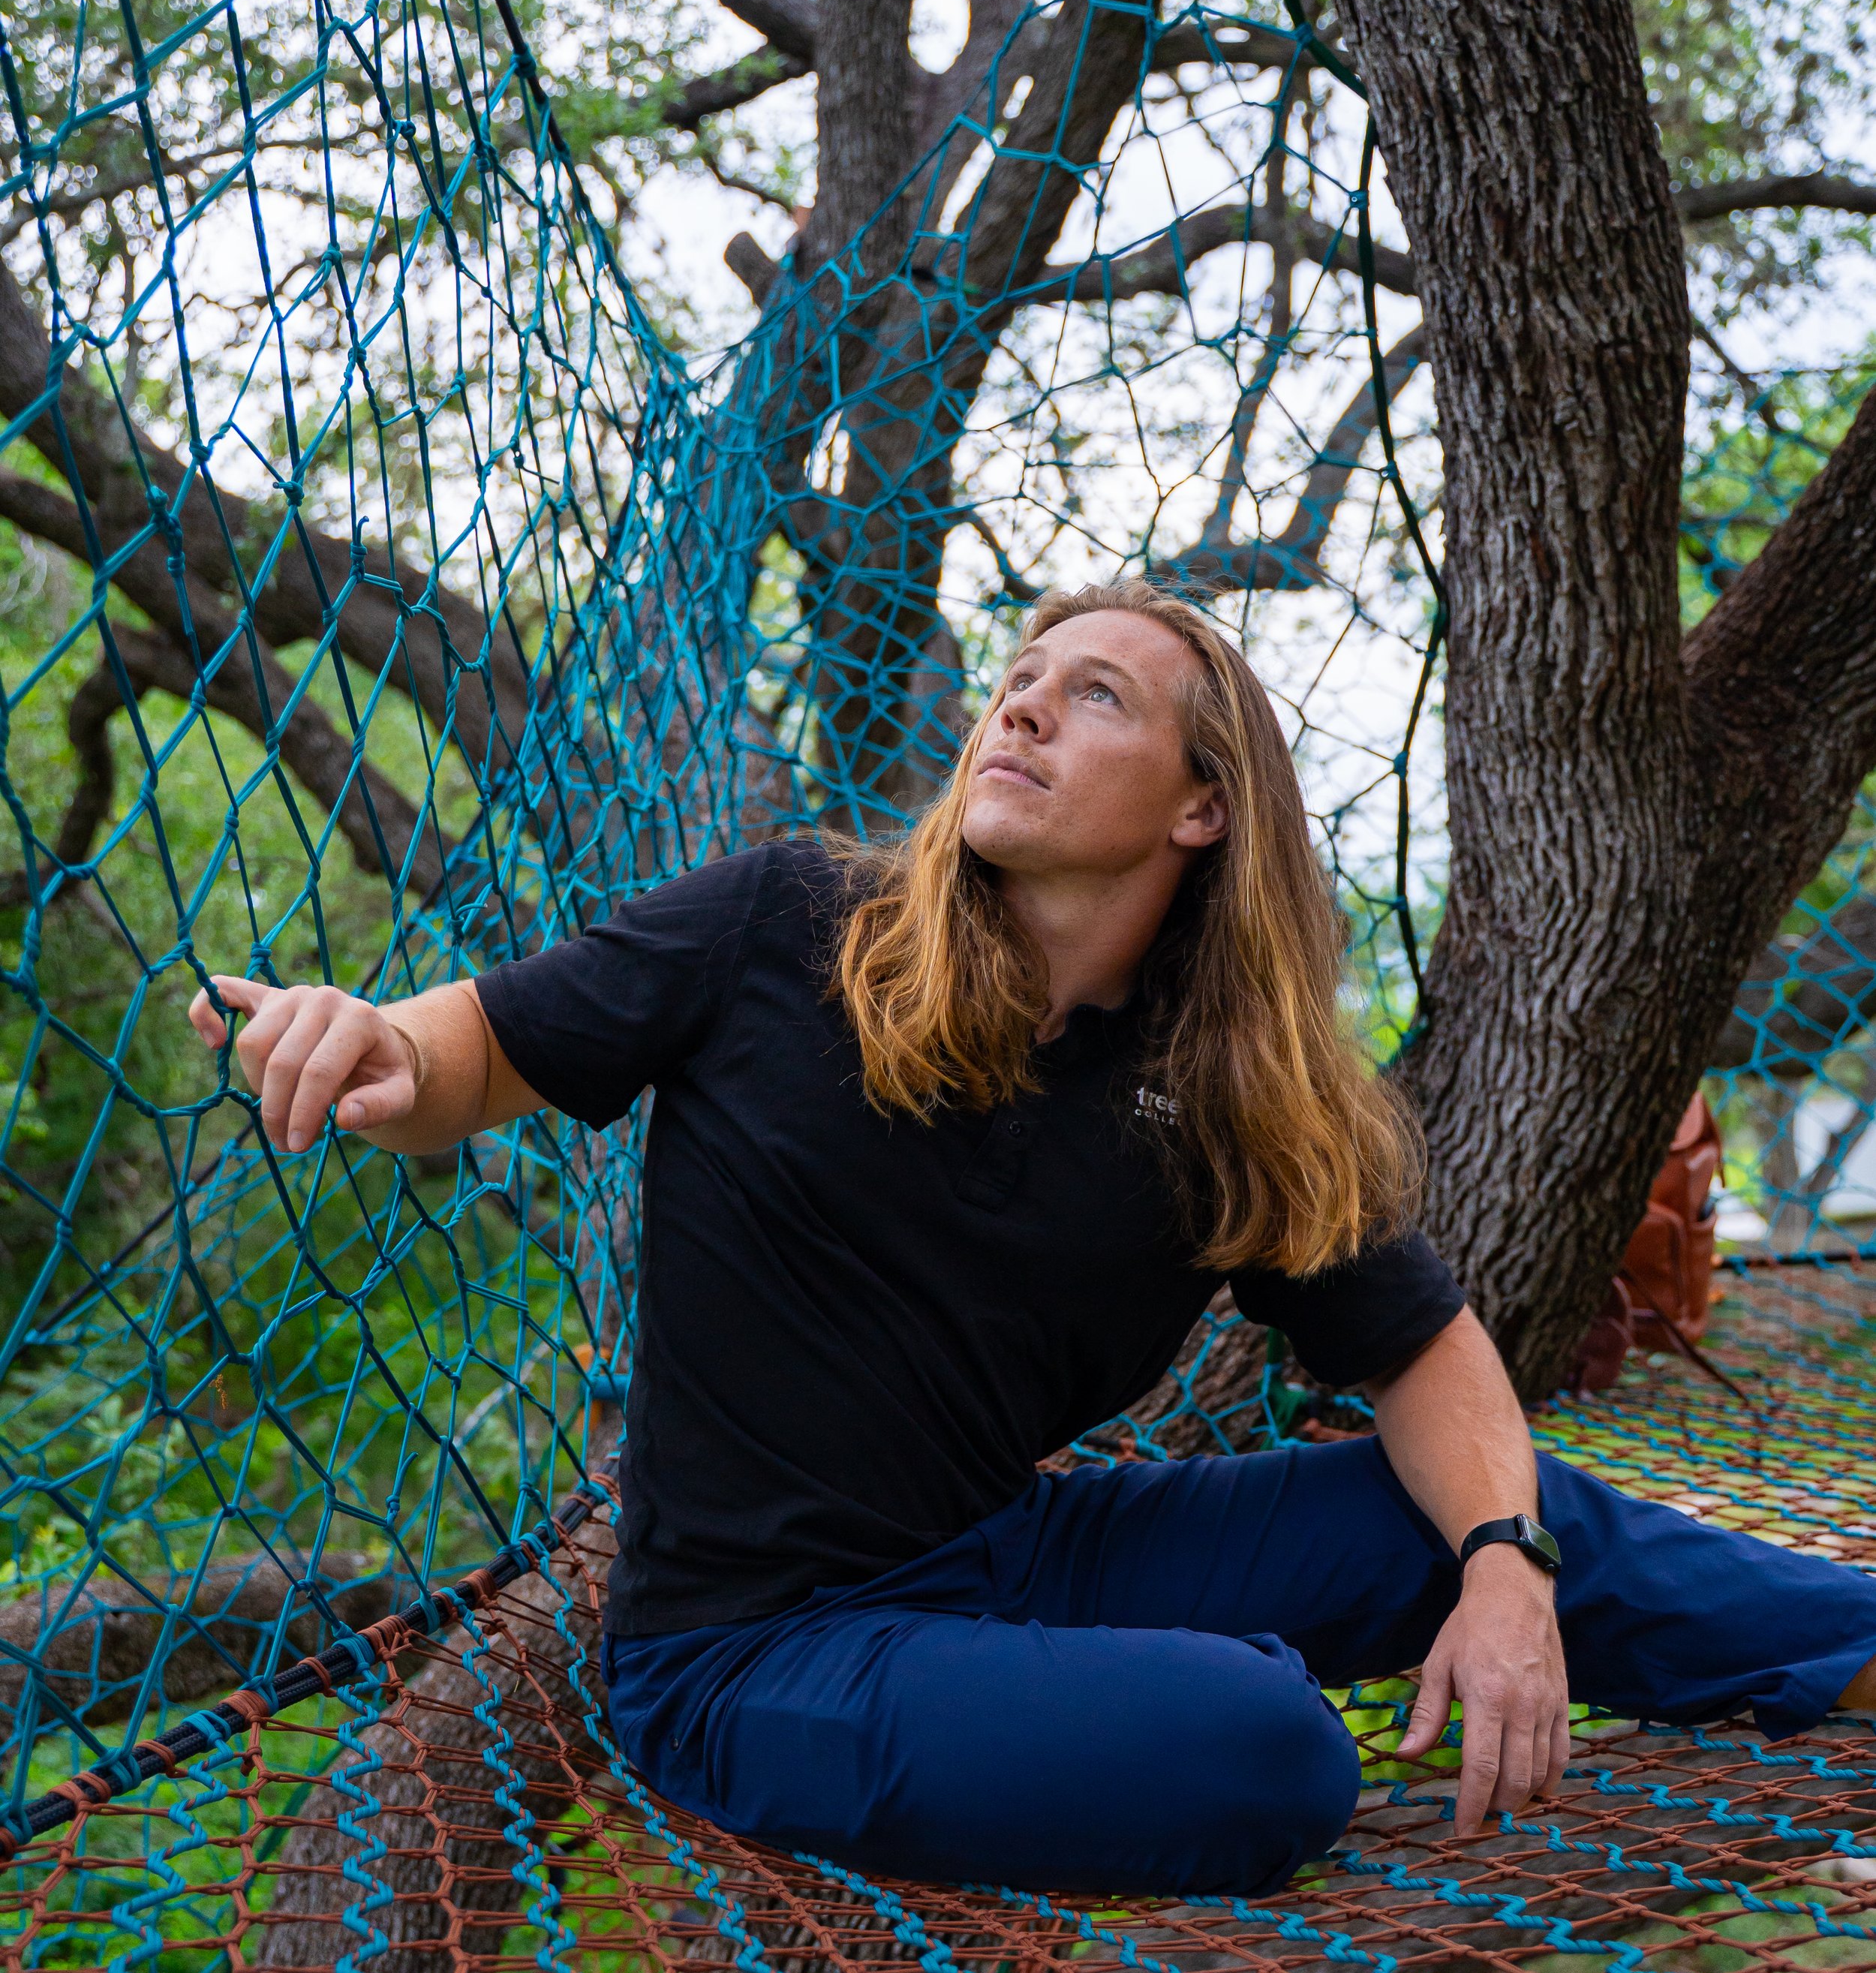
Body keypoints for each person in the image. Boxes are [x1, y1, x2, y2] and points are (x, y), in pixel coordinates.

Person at [187, 582, 1876, 1900]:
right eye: (1021, 678)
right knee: (1266, 1748)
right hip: (751, 1655)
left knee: (1488, 1517)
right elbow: (467, 1051)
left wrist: (1505, 1568)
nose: (1021, 705)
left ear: (1202, 808)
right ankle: (1142, 1700)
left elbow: (1421, 1348)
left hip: (1010, 1557)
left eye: (1097, 694)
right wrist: (373, 1044)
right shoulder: (787, 924)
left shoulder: (1220, 1096)